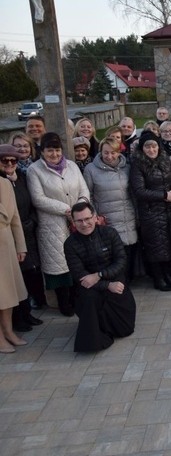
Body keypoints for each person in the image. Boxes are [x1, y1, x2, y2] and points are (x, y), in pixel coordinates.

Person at [27, 132, 90, 317]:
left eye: (57, 150)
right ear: (42, 151)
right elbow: (38, 198)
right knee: (59, 264)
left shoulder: (71, 165)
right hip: (53, 225)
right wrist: (66, 209)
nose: (54, 154)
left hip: (78, 221)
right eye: (49, 151)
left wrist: (81, 206)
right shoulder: (35, 170)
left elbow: (83, 188)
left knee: (79, 259)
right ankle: (64, 302)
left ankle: (78, 297)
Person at [63, 202, 136, 352]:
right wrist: (105, 285)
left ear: (95, 217)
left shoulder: (110, 233)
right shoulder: (70, 244)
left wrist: (100, 276)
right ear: (73, 222)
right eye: (79, 221)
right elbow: (79, 275)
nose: (84, 224)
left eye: (87, 219)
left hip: (115, 280)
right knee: (89, 297)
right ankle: (93, 340)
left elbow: (121, 261)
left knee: (125, 330)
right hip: (90, 287)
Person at [0, 144, 46, 328]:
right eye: (5, 160)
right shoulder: (2, 182)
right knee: (11, 280)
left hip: (26, 230)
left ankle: (25, 313)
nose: (10, 163)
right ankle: (17, 318)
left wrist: (32, 221)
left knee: (27, 275)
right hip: (6, 237)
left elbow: (32, 201)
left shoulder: (21, 179)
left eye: (14, 160)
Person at [130, 132, 171, 291]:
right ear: (142, 148)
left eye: (154, 146)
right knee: (155, 247)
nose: (151, 150)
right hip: (150, 212)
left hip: (168, 211)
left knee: (169, 245)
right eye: (147, 146)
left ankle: (168, 275)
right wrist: (163, 195)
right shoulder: (138, 164)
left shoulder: (165, 160)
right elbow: (139, 191)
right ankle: (158, 279)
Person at [83, 138, 139, 283]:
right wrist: (94, 215)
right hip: (107, 217)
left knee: (129, 250)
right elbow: (88, 194)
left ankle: (128, 282)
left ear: (118, 152)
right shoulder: (91, 169)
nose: (109, 156)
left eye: (113, 152)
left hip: (128, 215)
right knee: (114, 252)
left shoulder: (126, 167)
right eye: (105, 152)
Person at [0, 155, 29, 352]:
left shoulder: (5, 183)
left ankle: (8, 331)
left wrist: (21, 246)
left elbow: (15, 218)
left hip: (6, 243)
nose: (9, 164)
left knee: (8, 292)